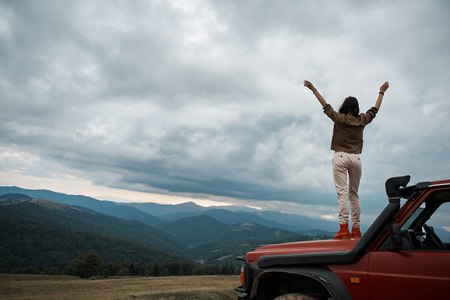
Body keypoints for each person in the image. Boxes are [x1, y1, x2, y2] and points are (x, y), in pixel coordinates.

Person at [303, 80, 389, 239]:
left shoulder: (339, 118)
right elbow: (375, 109)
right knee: (354, 194)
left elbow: (325, 105)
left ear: (344, 106)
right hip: (356, 158)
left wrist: (313, 88)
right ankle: (356, 229)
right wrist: (381, 92)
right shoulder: (362, 120)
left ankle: (344, 227)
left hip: (340, 156)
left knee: (342, 194)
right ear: (356, 108)